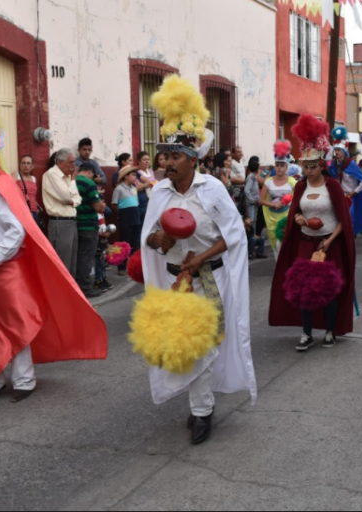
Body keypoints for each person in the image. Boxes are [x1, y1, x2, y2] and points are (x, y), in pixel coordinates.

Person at [0, 83, 107, 406]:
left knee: (14, 323)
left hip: (7, 267)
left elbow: (16, 230)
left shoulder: (1, 184)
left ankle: (23, 380)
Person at [142, 75, 256, 445]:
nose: (166, 163)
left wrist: (199, 258)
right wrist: (155, 238)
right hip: (176, 281)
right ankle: (199, 405)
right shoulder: (159, 191)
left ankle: (202, 411)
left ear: (193, 159)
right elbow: (148, 237)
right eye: (164, 156)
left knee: (202, 347)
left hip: (208, 279)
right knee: (180, 346)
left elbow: (234, 234)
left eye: (175, 157)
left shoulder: (214, 189)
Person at [270, 115, 355, 350]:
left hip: (330, 246)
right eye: (305, 165)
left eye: (312, 165)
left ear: (321, 165)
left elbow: (343, 221)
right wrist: (297, 218)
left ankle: (330, 330)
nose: (308, 170)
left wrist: (329, 242)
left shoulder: (333, 187)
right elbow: (295, 213)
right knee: (304, 289)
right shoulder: (299, 187)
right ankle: (306, 333)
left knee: (328, 289)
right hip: (305, 244)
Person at [329, 130, 362, 238]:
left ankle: (349, 239)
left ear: (344, 151)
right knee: (338, 218)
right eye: (335, 150)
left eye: (339, 150)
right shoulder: (334, 165)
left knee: (349, 219)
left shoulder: (351, 164)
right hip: (339, 195)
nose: (337, 152)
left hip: (350, 196)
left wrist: (355, 191)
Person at [43, 148, 81, 273]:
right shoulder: (51, 175)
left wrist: (73, 201)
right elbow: (65, 197)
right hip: (60, 222)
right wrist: (73, 180)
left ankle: (70, 291)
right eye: (70, 162)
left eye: (74, 162)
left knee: (72, 261)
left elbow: (77, 199)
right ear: (60, 162)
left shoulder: (67, 177)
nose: (73, 166)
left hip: (71, 222)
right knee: (62, 262)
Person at [75, 163, 106, 299]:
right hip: (89, 225)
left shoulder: (72, 181)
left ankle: (77, 284)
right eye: (94, 174)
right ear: (90, 171)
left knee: (78, 257)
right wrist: (102, 205)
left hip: (76, 224)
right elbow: (97, 206)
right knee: (87, 258)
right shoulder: (89, 183)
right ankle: (85, 288)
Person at [260, 157, 297, 260]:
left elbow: (298, 198)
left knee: (284, 244)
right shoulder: (268, 182)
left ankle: (286, 269)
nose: (279, 168)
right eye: (277, 165)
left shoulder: (292, 182)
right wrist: (273, 205)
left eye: (282, 166)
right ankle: (279, 270)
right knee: (275, 246)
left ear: (286, 167)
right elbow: (261, 200)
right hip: (272, 219)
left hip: (286, 217)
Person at [111, 166, 143, 276]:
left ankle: (133, 265)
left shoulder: (134, 189)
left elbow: (135, 203)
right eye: (133, 175)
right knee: (124, 242)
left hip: (135, 216)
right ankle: (121, 266)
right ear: (126, 176)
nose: (135, 177)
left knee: (135, 242)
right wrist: (120, 215)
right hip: (125, 216)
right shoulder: (118, 189)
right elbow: (114, 204)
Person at [245, 159, 265, 259]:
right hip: (252, 204)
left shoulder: (253, 177)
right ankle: (250, 249)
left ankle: (253, 249)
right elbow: (246, 191)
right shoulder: (251, 178)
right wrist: (253, 200)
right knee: (252, 221)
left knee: (255, 220)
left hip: (255, 204)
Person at [16, 155, 42, 226]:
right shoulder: (16, 175)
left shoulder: (33, 178)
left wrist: (37, 209)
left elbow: (32, 196)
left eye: (28, 163)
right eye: (23, 163)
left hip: (34, 213)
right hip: (21, 212)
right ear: (20, 165)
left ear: (32, 166)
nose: (26, 165)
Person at [135, 151, 156, 221]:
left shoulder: (151, 171)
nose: (147, 161)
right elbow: (139, 185)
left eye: (148, 159)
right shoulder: (137, 172)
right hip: (144, 199)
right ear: (139, 161)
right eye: (144, 160)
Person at [230, 146, 247, 213]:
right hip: (236, 189)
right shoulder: (232, 163)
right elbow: (233, 179)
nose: (240, 153)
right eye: (238, 152)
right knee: (236, 209)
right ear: (233, 154)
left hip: (242, 188)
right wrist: (244, 181)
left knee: (242, 209)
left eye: (241, 152)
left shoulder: (241, 162)